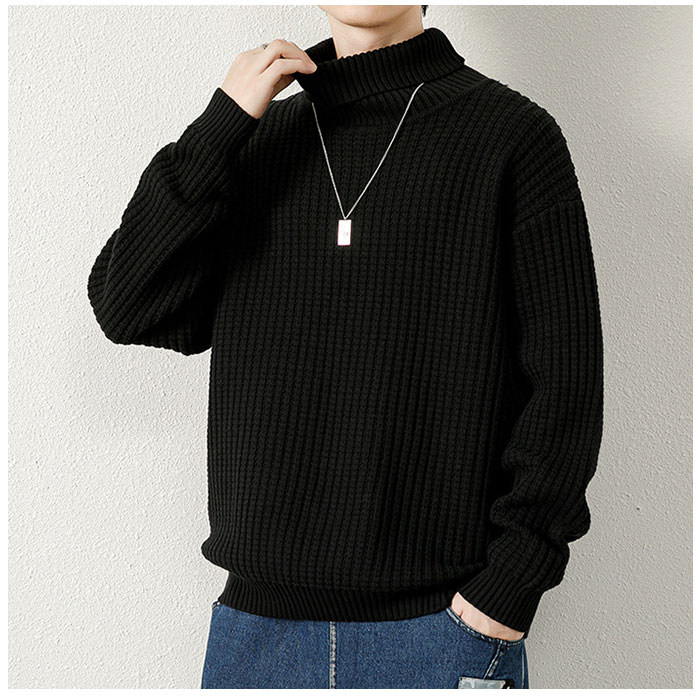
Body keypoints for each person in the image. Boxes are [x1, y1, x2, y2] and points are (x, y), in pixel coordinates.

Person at [86, 4, 604, 690]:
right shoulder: (256, 140)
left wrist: (510, 585)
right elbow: (128, 305)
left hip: (441, 630)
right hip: (256, 633)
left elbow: (565, 384)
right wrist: (220, 126)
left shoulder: (510, 135)